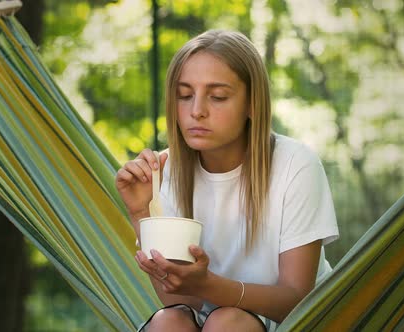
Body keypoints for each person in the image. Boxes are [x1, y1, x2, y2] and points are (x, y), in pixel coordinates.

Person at [115, 29, 339, 332]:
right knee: (169, 322)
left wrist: (210, 285)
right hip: (210, 321)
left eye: (217, 97)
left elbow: (296, 300)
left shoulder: (295, 165)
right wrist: (141, 212)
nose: (197, 111)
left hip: (296, 323)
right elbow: (182, 301)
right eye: (184, 95)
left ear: (252, 104)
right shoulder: (162, 172)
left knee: (226, 322)